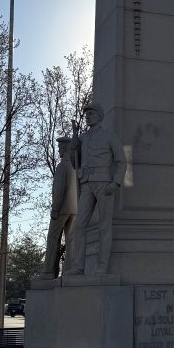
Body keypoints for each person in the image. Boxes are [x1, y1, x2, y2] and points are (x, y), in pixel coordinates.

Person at [67, 102, 127, 276]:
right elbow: (74, 162)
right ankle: (79, 266)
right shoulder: (83, 138)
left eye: (91, 114)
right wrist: (74, 140)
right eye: (87, 114)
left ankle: (102, 265)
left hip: (104, 183)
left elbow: (122, 161)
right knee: (79, 226)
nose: (88, 116)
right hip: (86, 183)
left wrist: (116, 182)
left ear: (100, 116)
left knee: (104, 226)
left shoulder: (109, 136)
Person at [42, 136, 77, 278]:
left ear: (65, 148)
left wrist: (55, 208)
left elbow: (59, 189)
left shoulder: (62, 166)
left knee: (52, 238)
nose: (58, 150)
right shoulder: (76, 166)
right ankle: (69, 270)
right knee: (71, 240)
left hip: (61, 208)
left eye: (60, 147)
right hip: (74, 209)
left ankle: (48, 271)